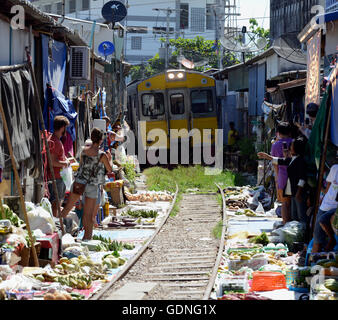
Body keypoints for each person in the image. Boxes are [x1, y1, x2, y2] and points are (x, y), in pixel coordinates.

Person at [61, 128, 113, 240]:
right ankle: (87, 237)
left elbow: (82, 164)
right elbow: (109, 169)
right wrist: (109, 159)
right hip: (92, 185)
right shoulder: (102, 155)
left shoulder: (83, 151)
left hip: (79, 183)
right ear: (100, 140)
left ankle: (56, 229)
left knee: (67, 208)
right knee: (88, 215)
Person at [258, 137, 308, 224]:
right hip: (292, 191)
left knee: (301, 216)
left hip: (297, 192)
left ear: (296, 148)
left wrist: (299, 192)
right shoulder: (293, 159)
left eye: (291, 146)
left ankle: (302, 234)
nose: (289, 147)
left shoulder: (300, 161)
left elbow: (302, 178)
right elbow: (281, 161)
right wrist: (267, 157)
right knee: (294, 215)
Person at [312, 161, 338, 253]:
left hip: (335, 207)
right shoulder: (335, 168)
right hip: (325, 205)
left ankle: (332, 239)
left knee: (323, 220)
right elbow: (328, 186)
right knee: (317, 237)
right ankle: (313, 264)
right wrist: (323, 197)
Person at [270, 122, 293, 224]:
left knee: (284, 202)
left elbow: (275, 163)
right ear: (290, 132)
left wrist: (276, 177)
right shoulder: (293, 142)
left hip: (282, 176)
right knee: (294, 202)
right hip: (295, 176)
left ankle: (285, 224)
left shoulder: (275, 145)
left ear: (278, 132)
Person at [47, 116, 70, 217]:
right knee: (55, 202)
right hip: (56, 177)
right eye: (65, 128)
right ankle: (56, 221)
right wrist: (65, 163)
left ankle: (56, 220)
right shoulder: (55, 142)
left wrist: (66, 160)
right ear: (62, 128)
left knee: (57, 202)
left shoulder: (55, 139)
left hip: (58, 176)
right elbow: (52, 161)